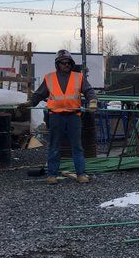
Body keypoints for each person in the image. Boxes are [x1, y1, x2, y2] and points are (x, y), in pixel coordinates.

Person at [30, 50, 98, 184]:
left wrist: (93, 100)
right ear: (57, 64)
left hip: (74, 116)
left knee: (77, 146)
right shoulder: (49, 78)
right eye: (63, 62)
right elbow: (38, 94)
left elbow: (89, 91)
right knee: (54, 146)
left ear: (71, 63)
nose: (66, 65)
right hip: (56, 116)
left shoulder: (78, 77)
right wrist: (29, 103)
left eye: (68, 62)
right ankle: (52, 175)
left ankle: (81, 174)